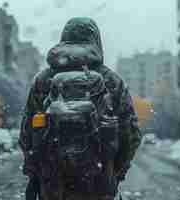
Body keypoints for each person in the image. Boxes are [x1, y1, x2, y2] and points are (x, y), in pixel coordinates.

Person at [19, 17, 141, 200]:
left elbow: (27, 135)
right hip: (99, 186)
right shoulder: (111, 81)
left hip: (53, 187)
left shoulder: (43, 80)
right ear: (96, 41)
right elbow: (131, 136)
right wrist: (114, 172)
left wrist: (37, 174)